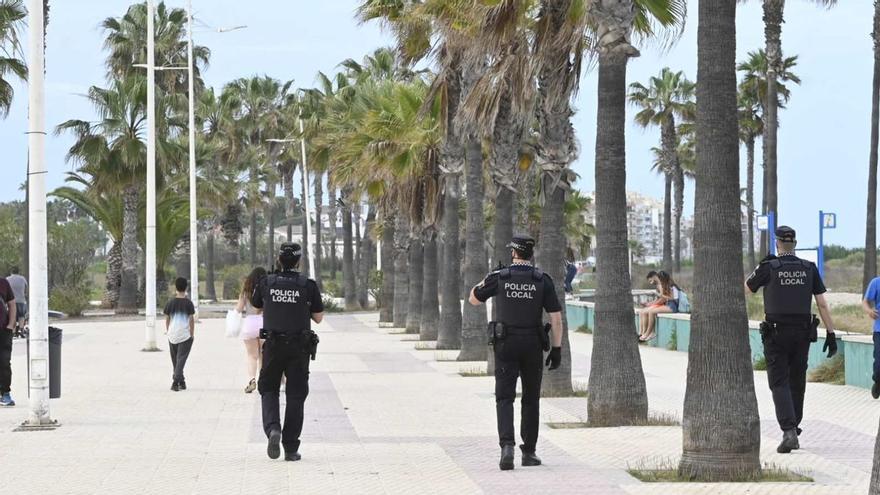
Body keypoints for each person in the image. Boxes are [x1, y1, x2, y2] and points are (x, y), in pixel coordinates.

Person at [468, 234, 563, 471]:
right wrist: (557, 348)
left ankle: (507, 448)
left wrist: (487, 278)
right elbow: (556, 319)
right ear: (531, 254)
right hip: (533, 345)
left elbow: (473, 299)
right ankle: (529, 452)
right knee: (531, 399)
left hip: (505, 344)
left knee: (505, 397)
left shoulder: (499, 277)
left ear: (513, 253)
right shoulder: (543, 280)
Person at [746, 226, 837, 454]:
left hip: (776, 333)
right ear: (794, 243)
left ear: (777, 243)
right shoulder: (809, 268)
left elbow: (747, 288)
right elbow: (822, 303)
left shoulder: (769, 267)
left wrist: (761, 268)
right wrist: (831, 333)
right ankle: (794, 426)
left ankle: (788, 432)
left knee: (779, 382)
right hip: (802, 332)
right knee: (797, 380)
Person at [251, 242, 324, 462]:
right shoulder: (307, 285)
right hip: (299, 347)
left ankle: (273, 429)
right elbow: (319, 317)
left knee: (269, 388)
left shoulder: (267, 282)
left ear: (279, 260)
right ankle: (291, 448)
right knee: (296, 395)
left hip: (273, 345)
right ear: (299, 261)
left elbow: (258, 308)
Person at [237, 267, 267, 394]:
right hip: (264, 323)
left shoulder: (245, 291)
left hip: (249, 324)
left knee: (251, 356)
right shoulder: (266, 290)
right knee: (263, 356)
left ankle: (251, 380)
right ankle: (262, 382)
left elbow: (238, 309)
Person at [163, 277, 196, 392]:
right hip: (185, 335)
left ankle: (182, 382)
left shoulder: (170, 302)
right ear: (186, 287)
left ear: (175, 287)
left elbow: (167, 318)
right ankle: (175, 381)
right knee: (181, 359)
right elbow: (191, 320)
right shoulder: (188, 303)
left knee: (175, 360)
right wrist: (192, 334)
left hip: (172, 334)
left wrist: (168, 330)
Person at [638, 270, 680, 342]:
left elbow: (673, 298)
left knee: (651, 312)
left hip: (673, 306)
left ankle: (650, 333)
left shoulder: (671, 286)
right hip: (669, 305)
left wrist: (661, 295)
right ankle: (646, 333)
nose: (659, 280)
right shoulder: (665, 285)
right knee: (651, 311)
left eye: (660, 278)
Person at [862, 276, 880, 399]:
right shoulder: (876, 282)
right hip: (879, 330)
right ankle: (878, 381)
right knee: (878, 362)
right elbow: (865, 301)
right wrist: (869, 311)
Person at [0, 276, 16, 407]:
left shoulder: (3, 283)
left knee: (4, 362)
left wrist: (11, 325)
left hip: (3, 331)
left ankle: (5, 393)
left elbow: (12, 303)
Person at [7, 268, 27, 336]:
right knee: (21, 316)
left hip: (10, 301)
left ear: (11, 272)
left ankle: (13, 332)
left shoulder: (7, 279)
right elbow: (26, 288)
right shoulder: (22, 279)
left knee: (13, 316)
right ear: (18, 272)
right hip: (21, 300)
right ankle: (21, 330)